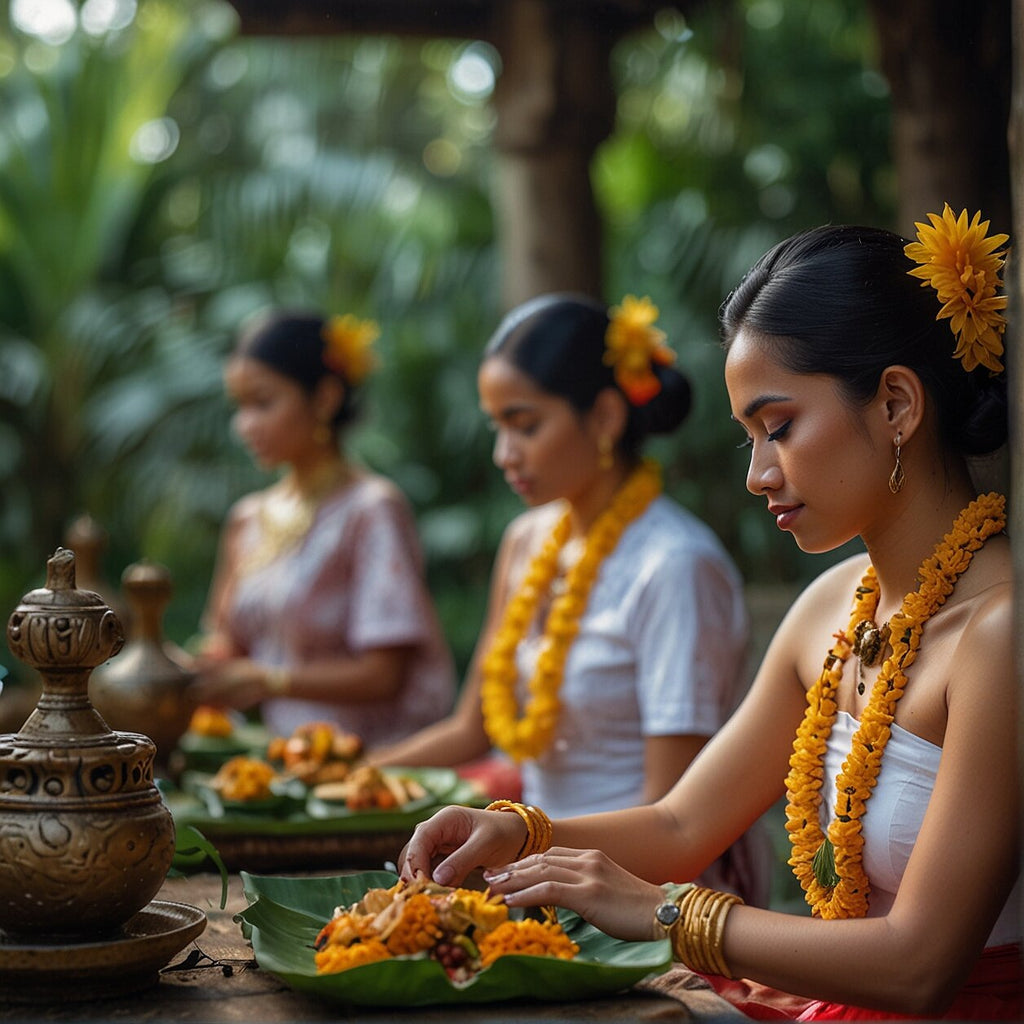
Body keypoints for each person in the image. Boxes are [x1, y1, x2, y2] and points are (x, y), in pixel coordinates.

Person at [399, 207, 1021, 1020]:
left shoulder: (1001, 636)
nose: (760, 474)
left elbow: (919, 966)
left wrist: (663, 911)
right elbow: (682, 822)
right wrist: (522, 833)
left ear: (897, 405)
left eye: (780, 428)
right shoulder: (830, 607)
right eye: (750, 439)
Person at [373, 292, 766, 905]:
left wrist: (529, 853)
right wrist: (353, 781)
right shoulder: (527, 540)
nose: (505, 454)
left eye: (525, 424)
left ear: (606, 418)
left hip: (647, 893)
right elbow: (471, 726)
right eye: (496, 426)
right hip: (534, 864)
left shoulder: (674, 566)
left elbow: (672, 820)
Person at [190, 310, 456, 749]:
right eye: (239, 407)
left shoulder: (370, 510)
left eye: (263, 402)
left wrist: (270, 680)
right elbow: (226, 645)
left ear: (325, 399)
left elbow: (383, 675)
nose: (245, 425)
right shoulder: (247, 518)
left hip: (369, 767)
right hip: (280, 761)